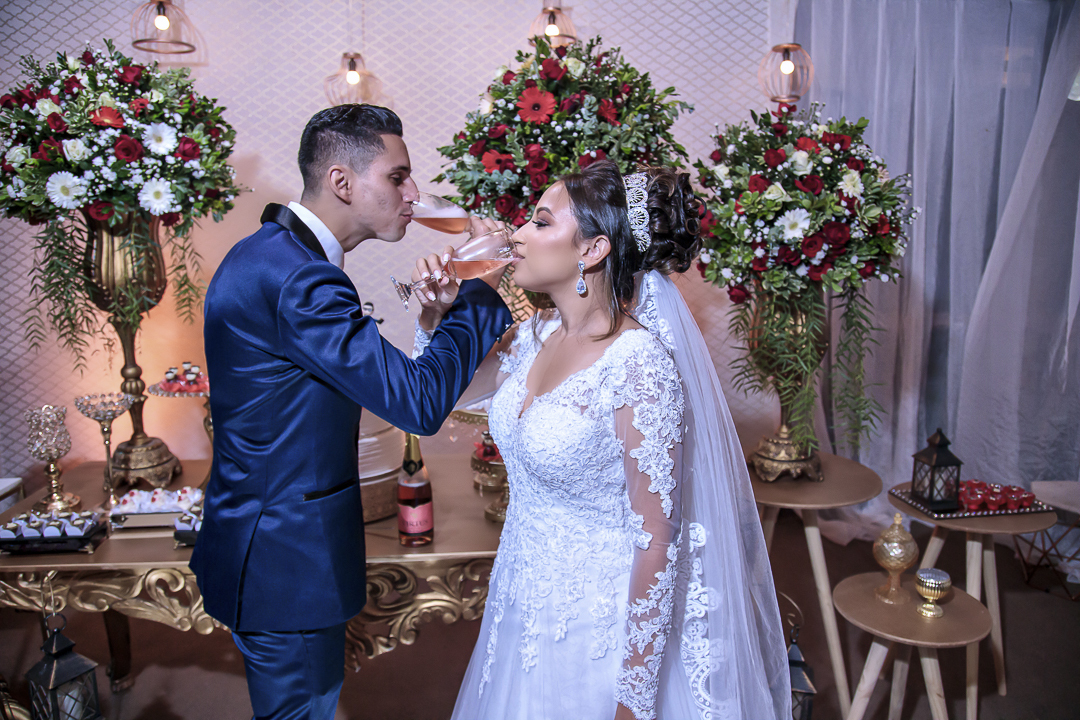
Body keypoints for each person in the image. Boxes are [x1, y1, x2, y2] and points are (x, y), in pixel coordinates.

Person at [413, 160, 791, 720]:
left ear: (592, 251)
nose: (518, 233)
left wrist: (633, 697)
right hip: (522, 604)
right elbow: (446, 393)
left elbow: (658, 540)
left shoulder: (638, 364)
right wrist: (434, 314)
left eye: (541, 222)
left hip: (600, 628)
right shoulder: (535, 335)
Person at [190, 104, 513, 720]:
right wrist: (478, 287)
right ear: (341, 181)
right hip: (285, 560)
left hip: (263, 543)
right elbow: (418, 403)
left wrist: (436, 316)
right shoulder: (301, 280)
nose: (413, 193)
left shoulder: (270, 254)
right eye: (397, 176)